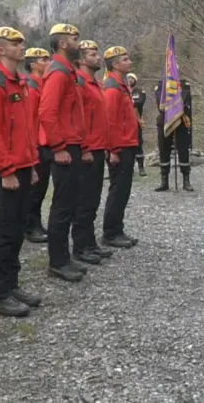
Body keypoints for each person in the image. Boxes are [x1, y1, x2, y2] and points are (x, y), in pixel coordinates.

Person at [0, 26, 41, 316]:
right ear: (0, 49)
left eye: (22, 42)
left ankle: (12, 284)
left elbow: (26, 128)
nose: (21, 46)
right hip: (7, 171)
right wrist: (5, 170)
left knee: (16, 229)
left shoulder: (19, 81)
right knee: (3, 231)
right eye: (16, 43)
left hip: (23, 167)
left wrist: (32, 164)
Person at [39, 23, 88, 283]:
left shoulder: (67, 71)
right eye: (73, 38)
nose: (78, 42)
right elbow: (47, 112)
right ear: (62, 43)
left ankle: (64, 258)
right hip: (63, 147)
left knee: (69, 203)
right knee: (62, 205)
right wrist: (58, 147)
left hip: (72, 144)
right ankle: (57, 262)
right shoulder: (58, 73)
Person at [74, 40, 115, 262]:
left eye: (97, 53)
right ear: (81, 59)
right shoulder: (79, 82)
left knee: (93, 199)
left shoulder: (95, 83)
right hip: (87, 150)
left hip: (99, 147)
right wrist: (83, 147)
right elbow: (77, 118)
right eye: (92, 54)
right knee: (84, 200)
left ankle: (90, 242)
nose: (97, 57)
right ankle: (80, 246)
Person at [102, 46, 141, 247]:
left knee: (123, 189)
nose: (129, 62)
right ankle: (111, 232)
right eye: (125, 59)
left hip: (128, 144)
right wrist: (114, 150)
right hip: (121, 147)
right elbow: (110, 121)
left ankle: (117, 229)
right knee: (118, 190)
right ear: (115, 64)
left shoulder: (121, 85)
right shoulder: (111, 87)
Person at [22, 47, 50, 243]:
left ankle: (36, 222)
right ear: (33, 64)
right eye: (44, 60)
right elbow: (30, 120)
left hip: (42, 141)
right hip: (36, 143)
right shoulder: (32, 86)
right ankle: (30, 226)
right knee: (35, 188)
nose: (48, 63)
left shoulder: (42, 84)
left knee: (42, 187)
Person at [154, 78, 194, 192]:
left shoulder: (184, 84)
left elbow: (185, 99)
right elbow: (160, 103)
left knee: (183, 150)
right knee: (164, 150)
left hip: (181, 120)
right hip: (165, 120)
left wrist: (175, 108)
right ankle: (164, 180)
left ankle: (186, 180)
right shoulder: (160, 85)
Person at [128, 73, 147, 176]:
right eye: (128, 78)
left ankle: (141, 167)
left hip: (136, 120)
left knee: (138, 143)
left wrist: (129, 102)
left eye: (132, 78)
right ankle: (129, 168)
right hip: (126, 122)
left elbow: (140, 102)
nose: (130, 80)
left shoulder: (139, 91)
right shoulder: (124, 89)